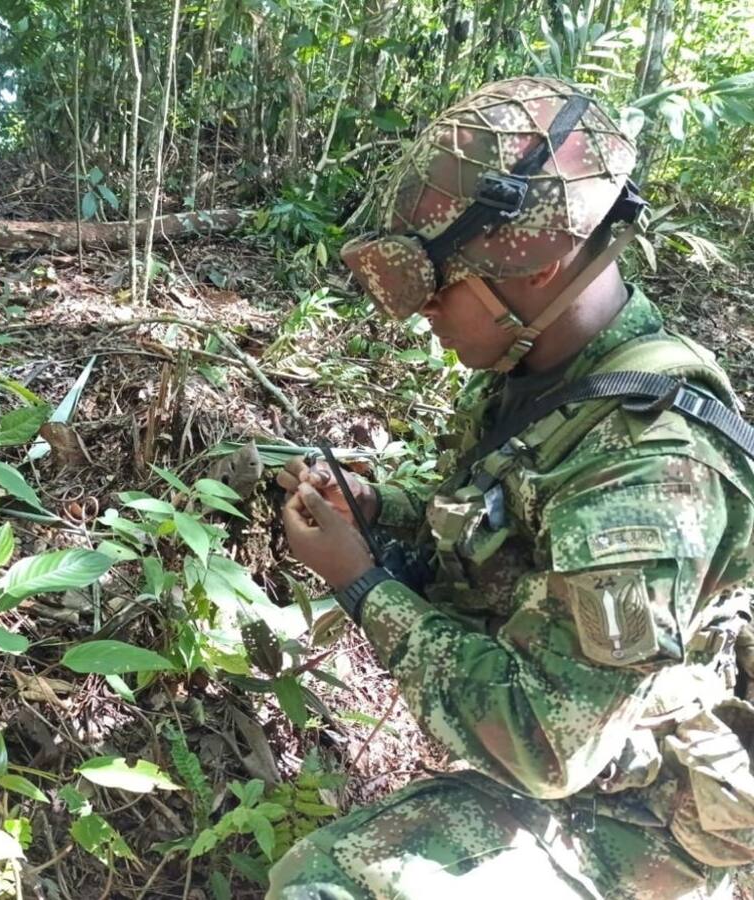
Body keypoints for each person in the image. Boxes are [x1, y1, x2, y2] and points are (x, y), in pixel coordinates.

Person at [267, 76, 754, 900]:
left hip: (643, 829)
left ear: (531, 266)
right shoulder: (539, 372)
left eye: (439, 289)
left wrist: (361, 581)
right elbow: (510, 521)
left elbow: (550, 746)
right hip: (591, 775)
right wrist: (381, 507)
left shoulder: (650, 467)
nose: (423, 316)